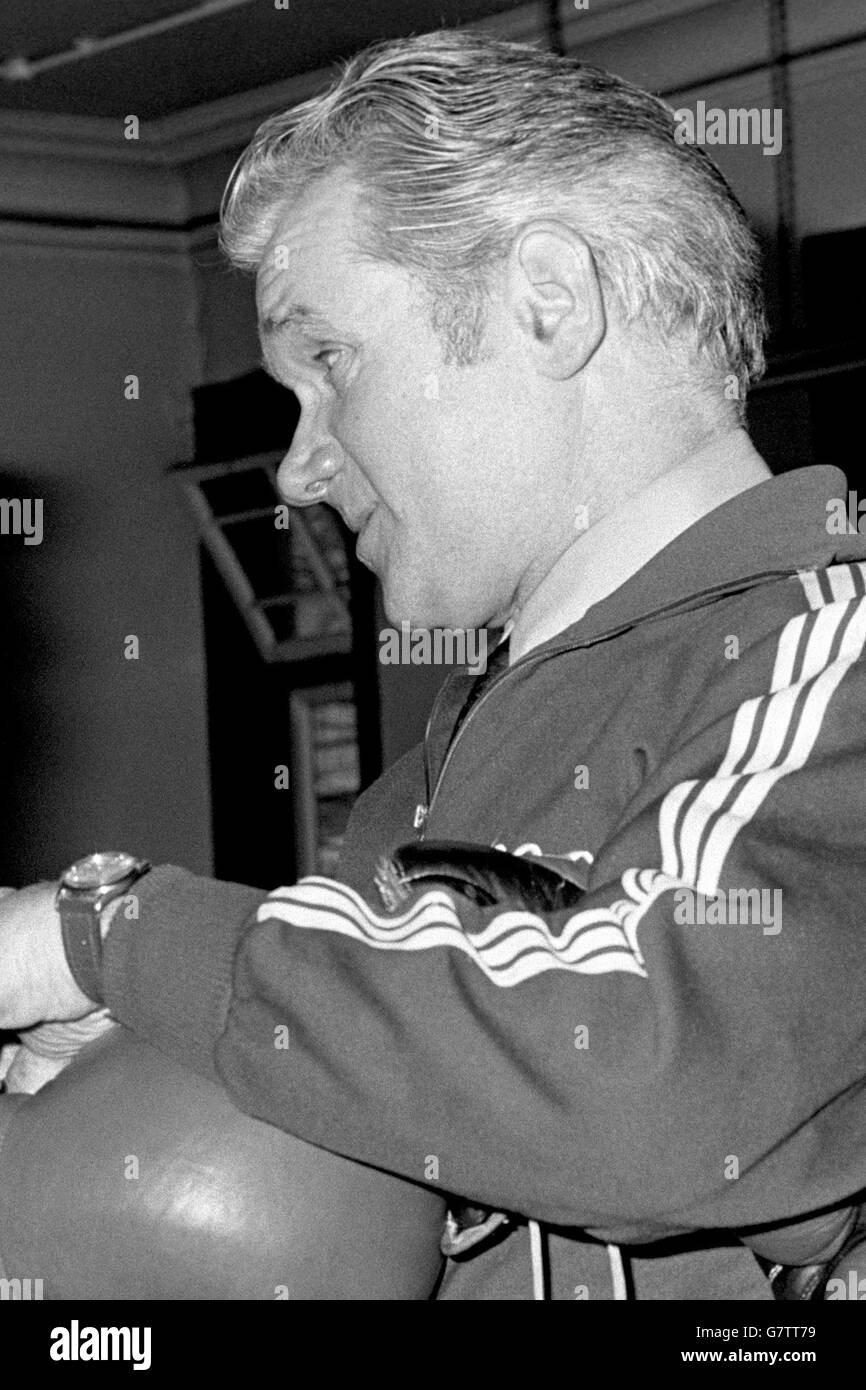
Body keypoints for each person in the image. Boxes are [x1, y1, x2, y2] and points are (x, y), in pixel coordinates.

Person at [2, 29, 865, 1301]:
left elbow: (646, 1077)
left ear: (546, 301)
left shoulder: (827, 663)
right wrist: (157, 1049)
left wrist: (106, 935)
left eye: (330, 365)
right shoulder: (430, 783)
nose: (298, 467)